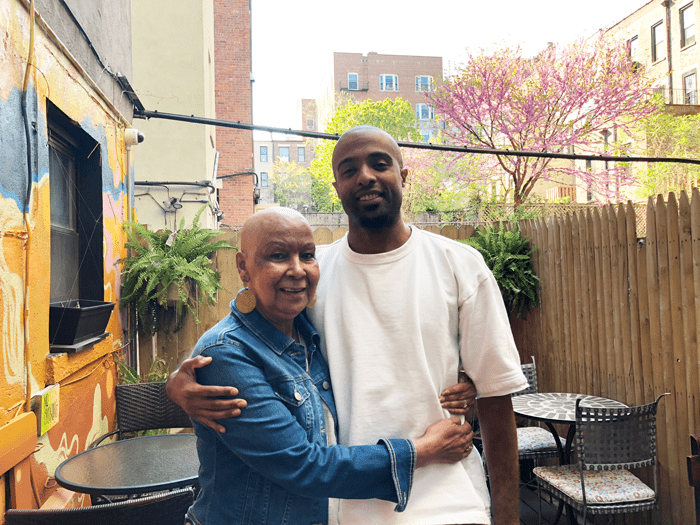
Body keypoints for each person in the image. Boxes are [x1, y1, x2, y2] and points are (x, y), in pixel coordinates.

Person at [170, 126, 527, 525]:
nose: (366, 176)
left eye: (380, 163)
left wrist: (508, 518)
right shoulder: (313, 271)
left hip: (447, 499)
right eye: (349, 168)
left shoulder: (459, 265)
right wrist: (179, 383)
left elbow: (497, 399)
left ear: (403, 175)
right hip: (342, 506)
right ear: (337, 185)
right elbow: (245, 337)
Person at [183, 207, 475, 525]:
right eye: (278, 256)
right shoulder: (226, 355)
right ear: (243, 267)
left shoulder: (310, 332)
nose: (297, 270)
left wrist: (461, 379)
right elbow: (304, 466)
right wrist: (424, 449)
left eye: (307, 255)